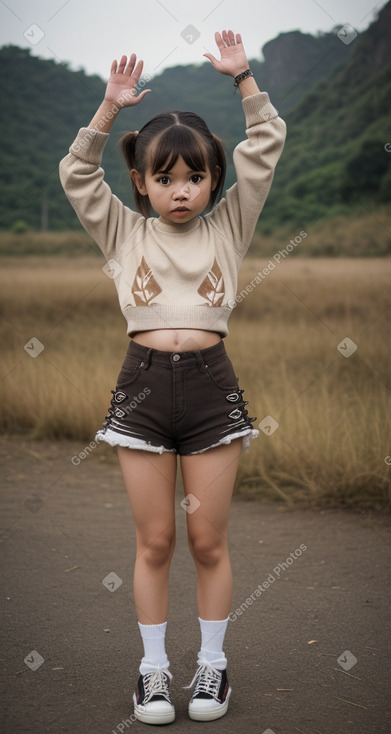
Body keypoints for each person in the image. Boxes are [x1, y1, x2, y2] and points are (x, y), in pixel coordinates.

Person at [59, 29, 286, 725]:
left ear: (213, 181)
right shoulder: (123, 232)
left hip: (213, 391)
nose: (180, 191)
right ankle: (153, 673)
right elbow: (75, 175)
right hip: (142, 390)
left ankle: (211, 670)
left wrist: (243, 78)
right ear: (142, 182)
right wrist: (108, 109)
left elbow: (264, 146)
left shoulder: (229, 227)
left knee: (207, 541)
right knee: (155, 540)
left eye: (193, 178)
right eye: (165, 178)